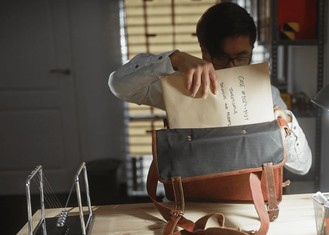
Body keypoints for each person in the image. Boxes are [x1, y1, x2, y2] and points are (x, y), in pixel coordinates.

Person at [108, 2, 312, 175]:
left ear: (251, 49)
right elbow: (119, 85)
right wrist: (174, 59)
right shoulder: (180, 87)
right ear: (204, 51)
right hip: (190, 201)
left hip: (250, 204)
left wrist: (286, 122)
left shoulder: (267, 94)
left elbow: (302, 167)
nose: (233, 66)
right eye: (222, 57)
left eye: (241, 57)